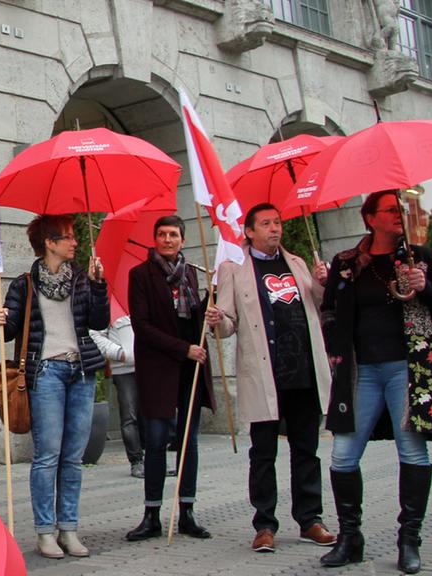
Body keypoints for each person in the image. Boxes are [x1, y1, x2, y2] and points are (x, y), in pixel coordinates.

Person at [319, 191, 432, 574]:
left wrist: (424, 286)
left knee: (412, 452)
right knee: (343, 455)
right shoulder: (347, 264)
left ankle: (409, 541)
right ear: (370, 218)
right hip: (361, 372)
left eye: (401, 210)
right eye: (390, 210)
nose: (399, 215)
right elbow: (329, 309)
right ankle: (351, 539)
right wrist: (336, 349)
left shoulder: (421, 257)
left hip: (408, 369)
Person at [208, 203, 336, 553]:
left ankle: (310, 519)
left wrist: (325, 282)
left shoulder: (296, 263)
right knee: (263, 453)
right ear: (249, 231)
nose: (274, 229)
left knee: (306, 450)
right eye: (266, 223)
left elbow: (321, 306)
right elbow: (230, 323)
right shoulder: (235, 268)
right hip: (265, 376)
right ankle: (264, 524)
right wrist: (219, 321)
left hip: (303, 373)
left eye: (277, 222)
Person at [0, 215, 108, 559]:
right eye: (67, 238)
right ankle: (44, 532)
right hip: (45, 374)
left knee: (73, 457)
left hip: (81, 371)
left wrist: (99, 286)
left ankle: (68, 529)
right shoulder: (24, 284)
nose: (74, 243)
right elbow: (8, 330)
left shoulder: (83, 280)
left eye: (73, 236)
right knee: (48, 456)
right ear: (49, 243)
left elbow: (99, 322)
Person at [125, 214, 213, 542]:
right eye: (161, 234)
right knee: (157, 441)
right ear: (155, 239)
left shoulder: (191, 274)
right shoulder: (141, 275)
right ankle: (151, 514)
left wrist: (209, 304)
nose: (167, 240)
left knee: (189, 442)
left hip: (189, 369)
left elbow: (194, 321)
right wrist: (183, 348)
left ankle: (187, 510)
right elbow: (143, 326)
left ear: (183, 239)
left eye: (173, 234)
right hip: (157, 367)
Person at [91, 309, 142, 478]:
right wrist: (118, 353)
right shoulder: (111, 303)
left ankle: (157, 460)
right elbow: (95, 334)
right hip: (123, 369)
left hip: (150, 365)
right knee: (130, 417)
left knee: (153, 416)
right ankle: (136, 461)